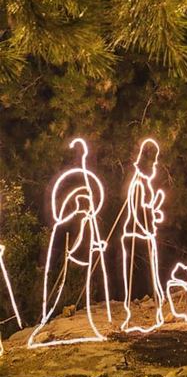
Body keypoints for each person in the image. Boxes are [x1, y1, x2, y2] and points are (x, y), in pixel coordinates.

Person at [29, 138, 111, 347]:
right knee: (58, 284)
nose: (88, 206)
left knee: (83, 286)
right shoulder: (68, 220)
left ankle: (88, 324)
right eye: (83, 201)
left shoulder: (87, 219)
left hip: (79, 253)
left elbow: (85, 238)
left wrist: (96, 245)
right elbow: (69, 236)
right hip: (68, 250)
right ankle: (44, 321)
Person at [121, 139, 165, 333]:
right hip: (136, 235)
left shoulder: (144, 183)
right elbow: (136, 209)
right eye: (153, 162)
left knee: (152, 274)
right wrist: (145, 226)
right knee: (137, 275)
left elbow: (146, 208)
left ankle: (157, 314)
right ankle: (131, 318)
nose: (155, 166)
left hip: (143, 233)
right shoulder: (138, 183)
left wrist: (154, 210)